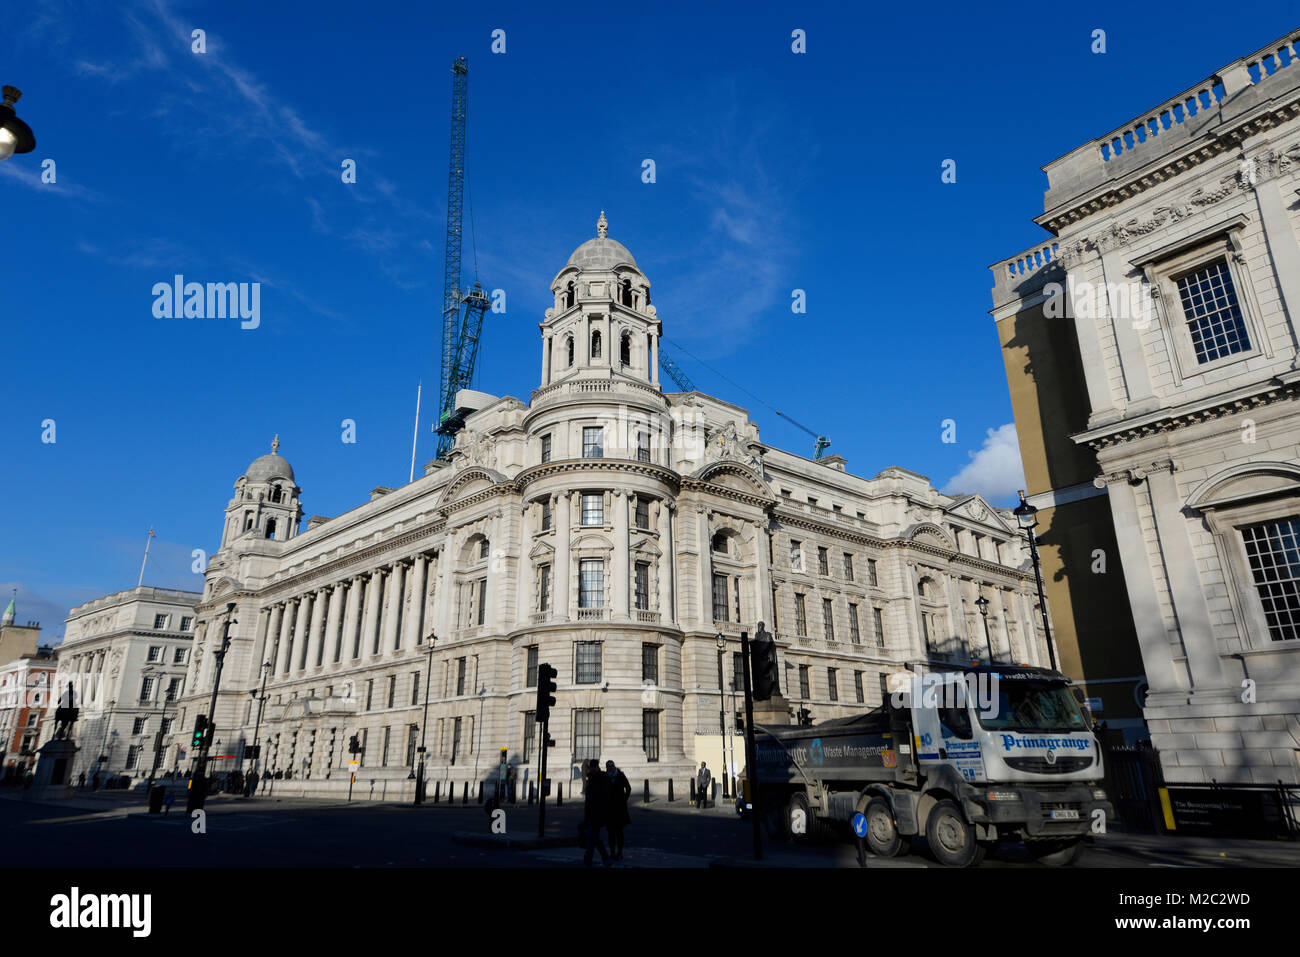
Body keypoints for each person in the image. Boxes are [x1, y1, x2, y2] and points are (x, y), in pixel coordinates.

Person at [582, 759, 611, 867]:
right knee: (594, 838)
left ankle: (589, 861)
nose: (591, 769)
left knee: (592, 838)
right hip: (592, 814)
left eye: (592, 767)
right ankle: (604, 858)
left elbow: (603, 797)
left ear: (596, 767)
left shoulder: (599, 778)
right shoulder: (592, 778)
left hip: (596, 814)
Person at [605, 760, 631, 861]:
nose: (610, 768)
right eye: (608, 767)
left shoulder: (620, 775)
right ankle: (612, 853)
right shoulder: (605, 777)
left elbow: (628, 788)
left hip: (620, 809)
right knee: (611, 833)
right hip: (609, 809)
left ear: (614, 766)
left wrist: (624, 799)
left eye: (611, 766)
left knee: (619, 833)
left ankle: (619, 852)